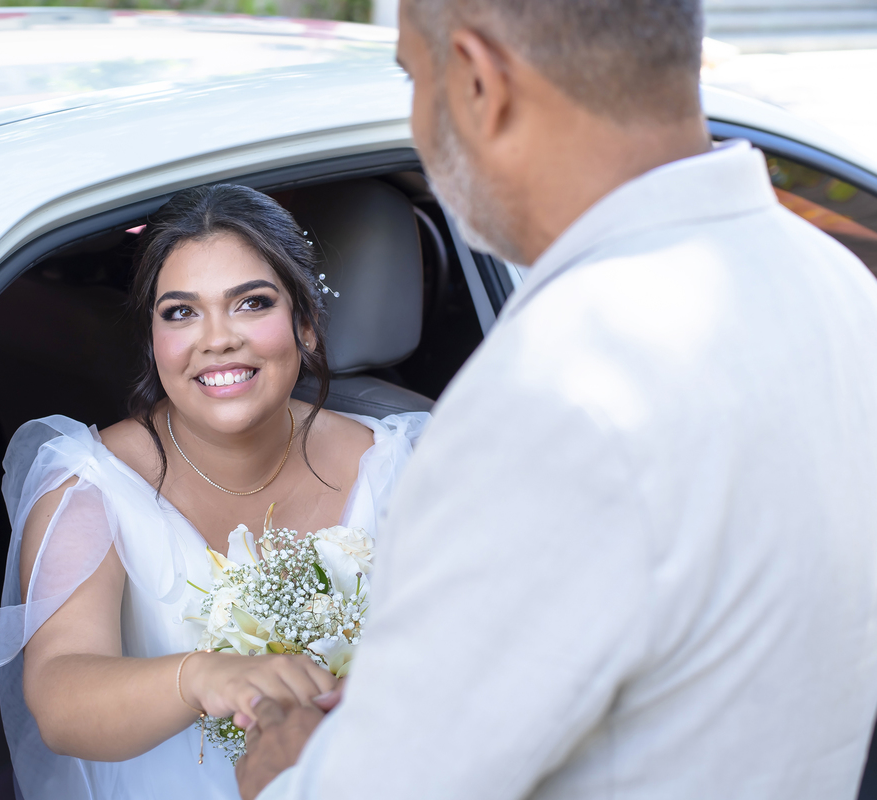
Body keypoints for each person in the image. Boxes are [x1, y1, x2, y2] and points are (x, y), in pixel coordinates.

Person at [236, 1, 877, 798]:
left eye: (413, 77)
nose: (415, 119)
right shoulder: (840, 286)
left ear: (477, 80)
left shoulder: (558, 391)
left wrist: (283, 769)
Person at [0, 184, 430, 800]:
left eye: (250, 303)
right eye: (181, 312)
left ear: (306, 326)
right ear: (152, 338)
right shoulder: (91, 485)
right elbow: (60, 696)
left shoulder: (405, 465)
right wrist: (204, 677)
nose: (216, 339)